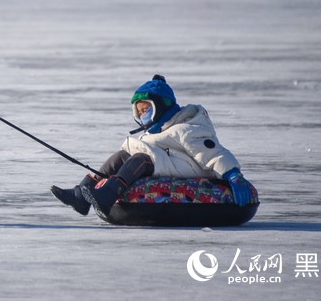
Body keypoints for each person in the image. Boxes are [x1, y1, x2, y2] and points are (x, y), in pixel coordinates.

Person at [51, 74, 251, 216]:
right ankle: (81, 194)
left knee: (142, 159)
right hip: (172, 163)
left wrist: (233, 174)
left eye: (147, 109)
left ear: (161, 106)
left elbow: (213, 153)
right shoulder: (160, 128)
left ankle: (109, 194)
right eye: (139, 111)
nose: (142, 115)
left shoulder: (186, 128)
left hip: (191, 169)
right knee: (121, 156)